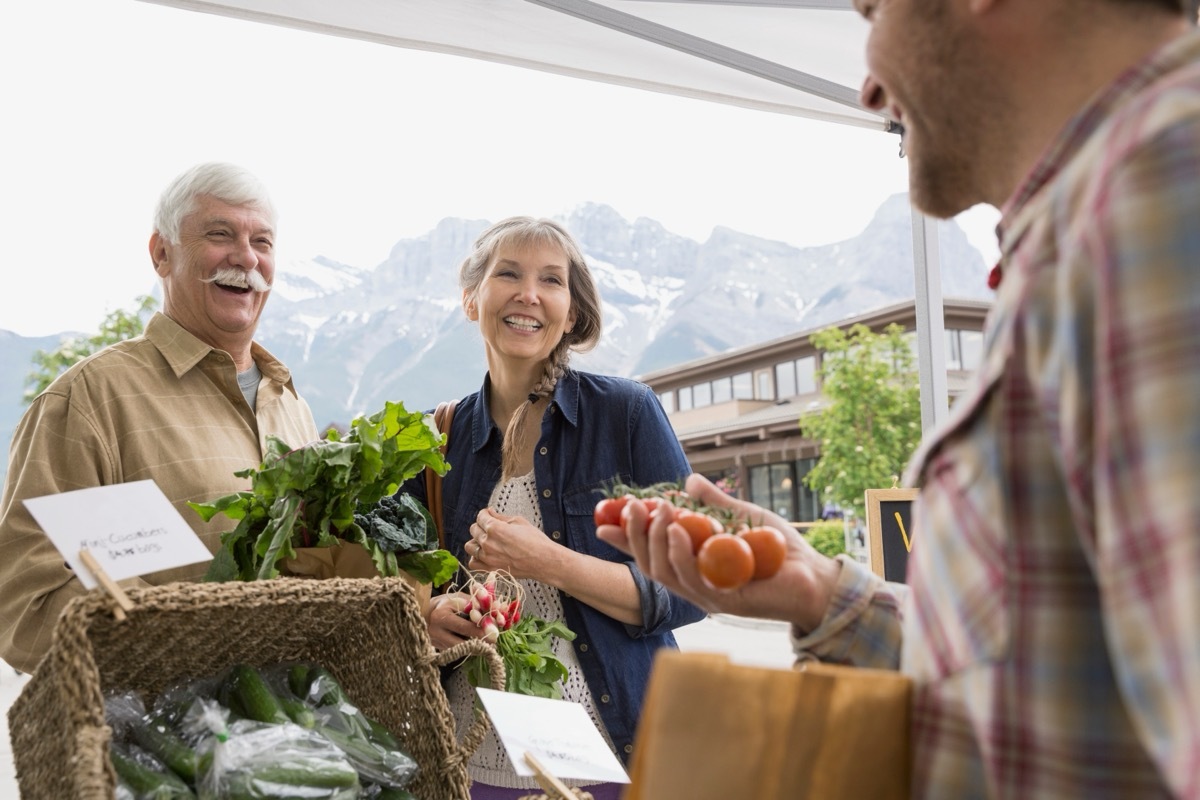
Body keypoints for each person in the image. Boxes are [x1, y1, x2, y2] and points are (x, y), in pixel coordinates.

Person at [598, 1, 1200, 798]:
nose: (869, 88)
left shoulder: (1160, 208)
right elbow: (1057, 685)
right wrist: (822, 594)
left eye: (874, 9)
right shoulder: (1114, 218)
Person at [398, 216, 705, 799]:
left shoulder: (627, 413)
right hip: (474, 763)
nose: (528, 294)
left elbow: (695, 586)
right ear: (471, 300)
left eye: (551, 280)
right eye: (507, 273)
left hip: (619, 761)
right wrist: (430, 612)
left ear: (571, 312)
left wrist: (550, 562)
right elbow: (394, 584)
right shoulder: (436, 438)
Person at [0, 162, 318, 674]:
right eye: (220, 234)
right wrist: (179, 649)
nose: (245, 257)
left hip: (299, 730)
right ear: (161, 254)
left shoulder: (290, 405)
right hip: (153, 743)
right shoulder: (90, 400)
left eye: (262, 241)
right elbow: (22, 603)